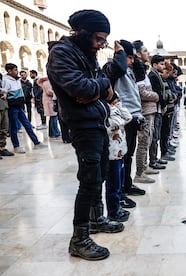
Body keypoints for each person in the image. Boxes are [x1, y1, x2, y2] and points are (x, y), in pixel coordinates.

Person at [47, 9, 124, 261]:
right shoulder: (61, 53)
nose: (101, 45)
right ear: (83, 33)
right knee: (89, 179)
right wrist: (101, 87)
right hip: (82, 125)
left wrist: (98, 88)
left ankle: (96, 218)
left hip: (96, 121)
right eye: (99, 39)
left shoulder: (86, 53)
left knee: (99, 174)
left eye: (104, 41)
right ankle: (79, 239)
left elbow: (99, 83)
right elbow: (81, 87)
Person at [103, 39, 147, 197]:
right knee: (121, 157)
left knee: (129, 155)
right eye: (129, 57)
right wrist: (120, 53)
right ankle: (120, 191)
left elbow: (141, 73)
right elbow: (119, 68)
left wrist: (136, 55)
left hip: (133, 116)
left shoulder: (130, 70)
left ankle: (127, 185)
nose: (132, 61)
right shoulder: (112, 68)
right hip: (122, 118)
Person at [2, 63, 47, 154]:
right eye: (15, 70)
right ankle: (16, 146)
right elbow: (4, 92)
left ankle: (36, 142)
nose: (17, 71)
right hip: (12, 107)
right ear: (9, 71)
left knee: (27, 125)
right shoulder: (6, 80)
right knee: (14, 127)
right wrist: (5, 95)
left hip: (20, 106)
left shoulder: (18, 80)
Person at [132, 40, 160, 184]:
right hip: (145, 111)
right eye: (145, 51)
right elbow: (142, 92)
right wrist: (156, 96)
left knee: (148, 140)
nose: (148, 54)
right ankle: (139, 173)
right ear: (137, 54)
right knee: (143, 141)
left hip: (150, 110)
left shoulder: (142, 69)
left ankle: (144, 167)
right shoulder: (138, 70)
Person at [105, 92, 132, 222]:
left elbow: (128, 117)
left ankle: (118, 205)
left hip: (120, 151)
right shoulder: (105, 110)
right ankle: (113, 210)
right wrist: (114, 108)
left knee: (119, 181)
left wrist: (119, 105)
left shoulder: (115, 109)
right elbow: (114, 124)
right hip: (112, 154)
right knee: (113, 184)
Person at [0, 82, 14, 158]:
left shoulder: (3, 78)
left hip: (3, 105)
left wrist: (5, 94)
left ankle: (2, 148)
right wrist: (3, 91)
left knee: (4, 128)